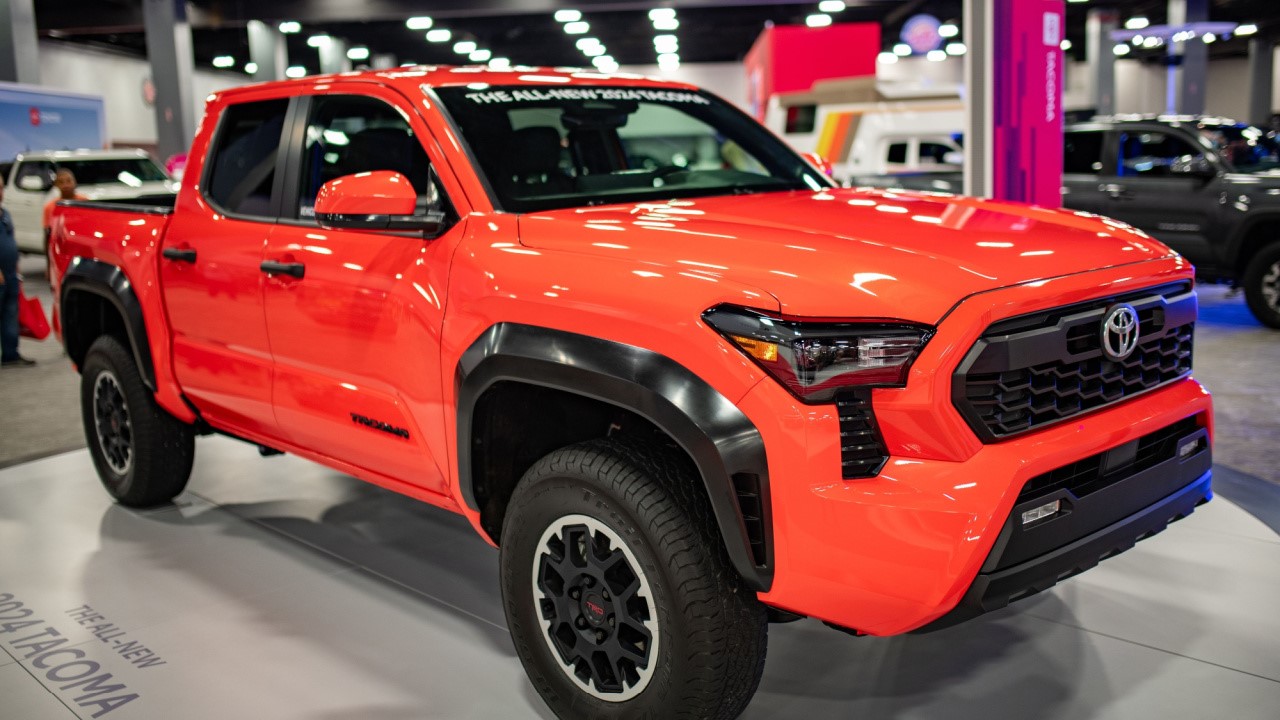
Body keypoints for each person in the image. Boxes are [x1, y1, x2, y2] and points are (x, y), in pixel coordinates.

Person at [0, 182, 35, 366]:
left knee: (10, 313)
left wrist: (16, 269)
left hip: (10, 273)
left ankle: (10, 354)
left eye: (0, 187)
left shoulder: (5, 215)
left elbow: (11, 241)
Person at [43, 168, 87, 240]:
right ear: (56, 185)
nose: (65, 185)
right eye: (61, 182)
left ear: (75, 182)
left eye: (68, 181)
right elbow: (47, 233)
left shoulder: (85, 202)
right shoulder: (50, 207)